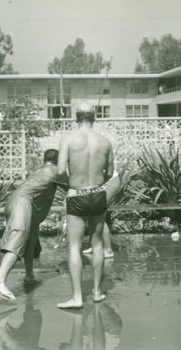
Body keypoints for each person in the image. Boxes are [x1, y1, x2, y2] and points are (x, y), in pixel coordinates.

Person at [57, 102, 114, 309]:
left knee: (74, 246)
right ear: (95, 117)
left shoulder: (68, 139)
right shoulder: (105, 142)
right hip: (97, 194)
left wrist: (71, 185)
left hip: (77, 195)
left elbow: (61, 170)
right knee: (97, 243)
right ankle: (97, 292)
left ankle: (77, 297)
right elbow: (109, 173)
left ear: (76, 117)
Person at [0, 149, 61, 300]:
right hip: (22, 204)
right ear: (59, 160)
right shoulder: (56, 170)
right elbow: (75, 187)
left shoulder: (39, 171)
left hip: (15, 202)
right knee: (18, 237)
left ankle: (29, 276)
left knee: (30, 240)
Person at [82, 170, 120, 258]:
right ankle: (94, 245)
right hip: (97, 182)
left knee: (97, 214)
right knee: (91, 212)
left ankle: (108, 250)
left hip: (108, 181)